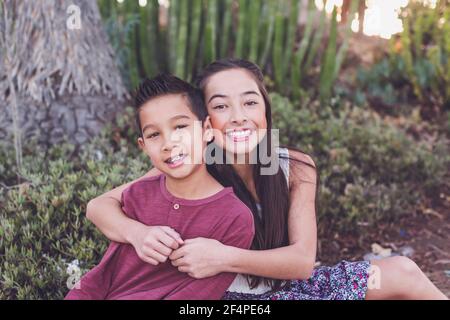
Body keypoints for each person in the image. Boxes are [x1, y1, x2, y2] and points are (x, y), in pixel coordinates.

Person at [86, 59, 448, 300]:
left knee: (401, 270)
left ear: (265, 108)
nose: (239, 117)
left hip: (288, 289)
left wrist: (224, 256)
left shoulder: (296, 167)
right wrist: (138, 233)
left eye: (250, 103)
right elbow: (99, 206)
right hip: (220, 299)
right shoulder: (191, 164)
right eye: (222, 106)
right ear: (205, 123)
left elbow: (302, 261)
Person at [65, 73, 254, 300]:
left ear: (206, 130)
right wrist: (137, 232)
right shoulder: (137, 195)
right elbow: (100, 278)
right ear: (143, 146)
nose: (168, 143)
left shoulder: (234, 218)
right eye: (155, 134)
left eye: (180, 126)